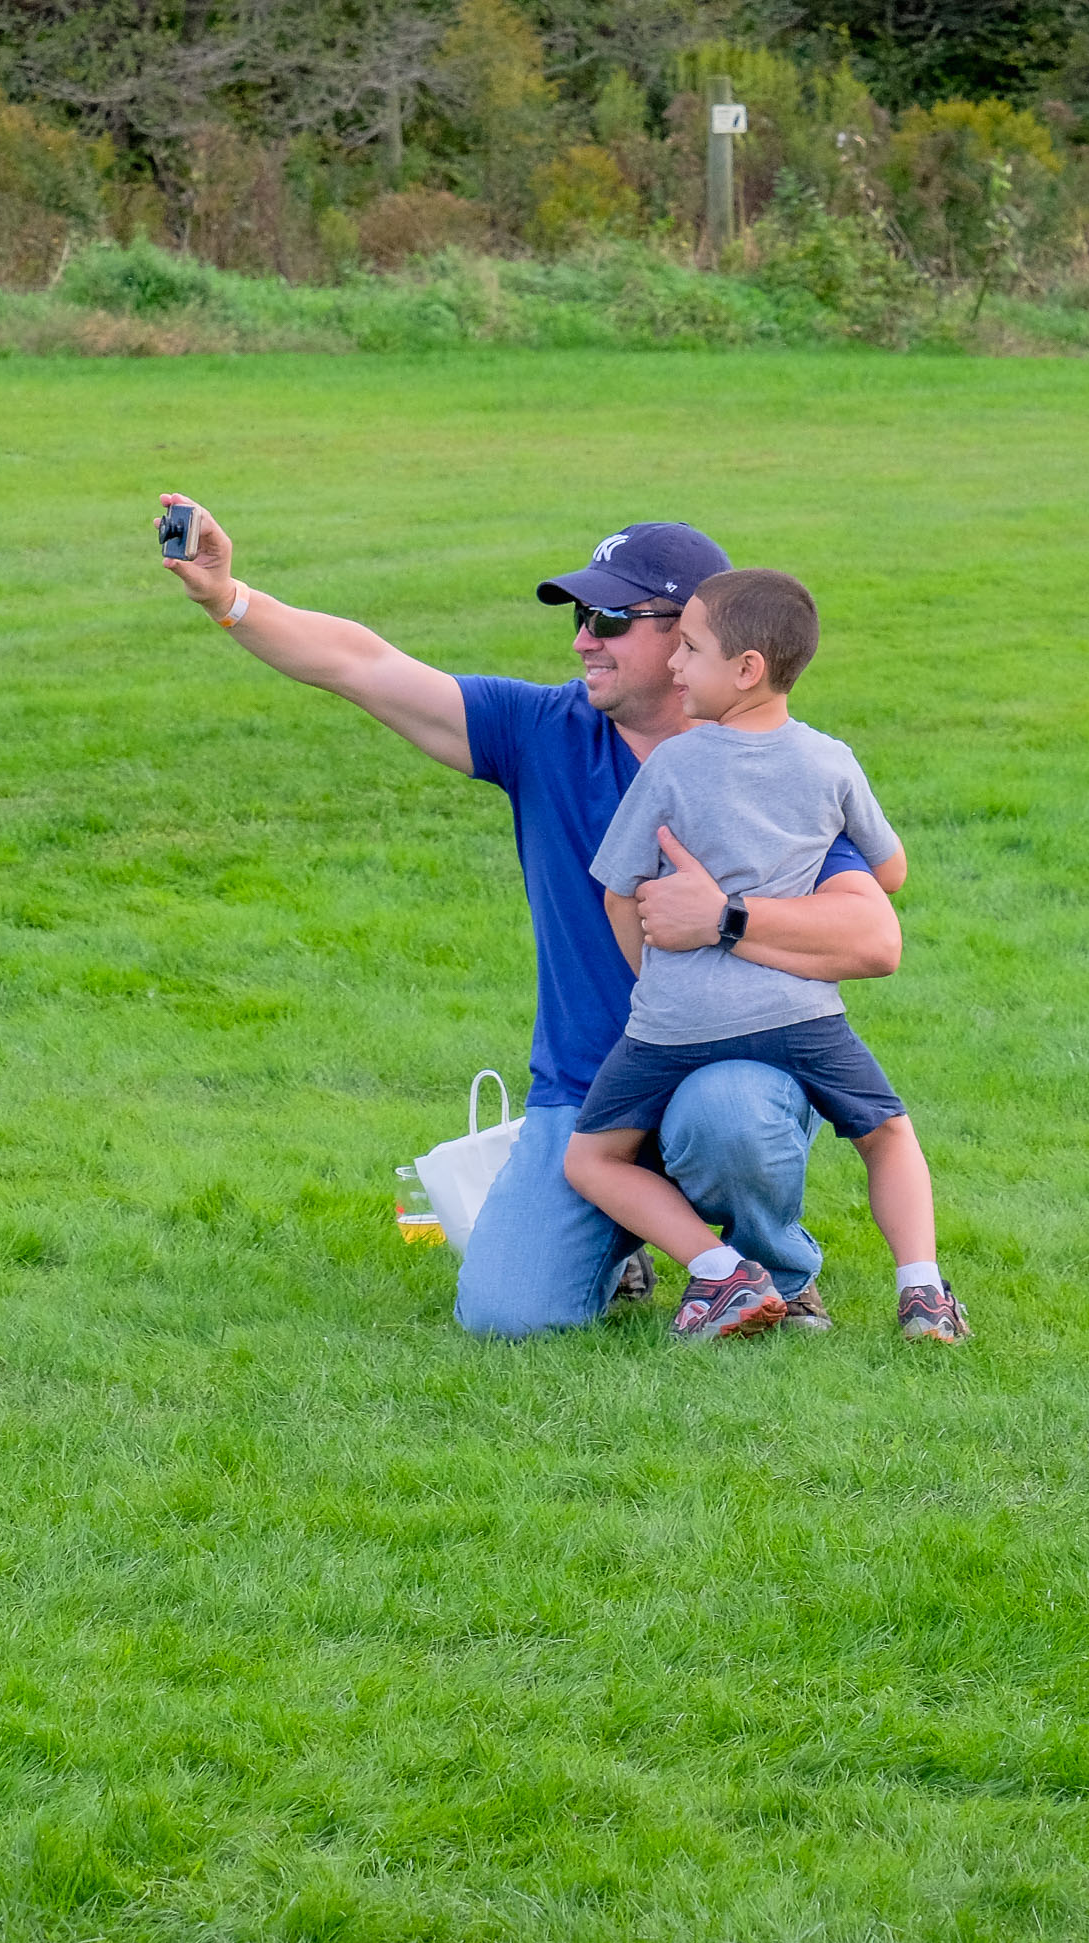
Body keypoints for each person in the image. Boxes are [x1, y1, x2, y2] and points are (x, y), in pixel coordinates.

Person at [154, 496, 903, 1338]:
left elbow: (874, 937)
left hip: (730, 1072)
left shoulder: (778, 771)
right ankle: (623, 1239)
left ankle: (777, 1274)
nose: (583, 639)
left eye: (609, 619)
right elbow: (362, 665)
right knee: (506, 1316)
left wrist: (724, 917)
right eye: (580, 617)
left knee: (731, 1113)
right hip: (589, 1096)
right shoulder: (544, 731)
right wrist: (228, 598)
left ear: (697, 639)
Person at [566, 568, 969, 1344]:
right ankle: (923, 1293)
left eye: (690, 649)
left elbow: (619, 892)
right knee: (887, 1134)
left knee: (592, 1161)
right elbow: (889, 872)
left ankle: (720, 1270)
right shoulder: (830, 760)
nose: (675, 663)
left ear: (746, 668)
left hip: (677, 1022)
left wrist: (656, 982)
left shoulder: (671, 765)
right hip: (799, 1016)